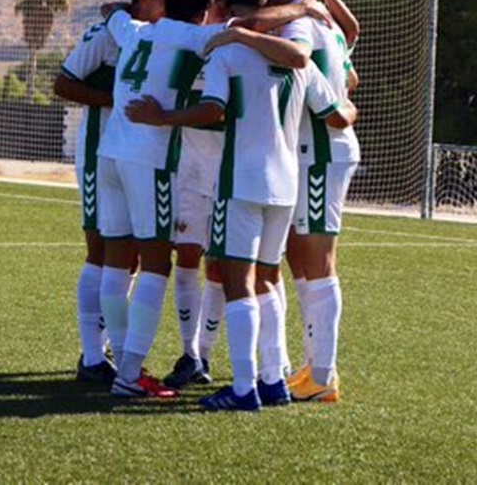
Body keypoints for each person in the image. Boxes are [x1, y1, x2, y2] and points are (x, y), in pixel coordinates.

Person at [98, 0, 323, 398]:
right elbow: (248, 30)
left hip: (110, 152)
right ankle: (128, 377)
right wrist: (305, 8)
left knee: (116, 261)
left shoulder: (136, 28)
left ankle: (105, 358)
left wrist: (118, 10)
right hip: (150, 157)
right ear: (204, 12)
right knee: (155, 266)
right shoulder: (200, 38)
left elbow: (110, 14)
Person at [126, 30, 355, 411]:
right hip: (286, 185)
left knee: (237, 282)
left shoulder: (228, 55)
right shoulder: (301, 63)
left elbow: (212, 109)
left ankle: (245, 388)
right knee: (266, 278)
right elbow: (338, 115)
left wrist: (162, 117)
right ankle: (273, 380)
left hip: (241, 182)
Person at [243, 0, 361, 403]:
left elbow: (270, 39)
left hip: (320, 153)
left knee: (318, 262)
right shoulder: (327, 26)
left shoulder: (301, 26)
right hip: (316, 151)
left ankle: (323, 374)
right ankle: (314, 368)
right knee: (301, 260)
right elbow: (349, 79)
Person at [53, 0, 172, 385]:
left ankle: (116, 352)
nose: (168, 8)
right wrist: (116, 100)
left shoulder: (156, 36)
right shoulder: (106, 33)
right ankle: (91, 356)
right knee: (101, 252)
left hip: (132, 155)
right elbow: (63, 83)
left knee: (129, 257)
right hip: (98, 152)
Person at [162, 0, 268, 390]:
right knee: (187, 259)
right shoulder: (195, 49)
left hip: (227, 175)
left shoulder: (248, 53)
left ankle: (204, 352)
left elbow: (222, 113)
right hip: (191, 171)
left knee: (221, 267)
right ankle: (191, 354)